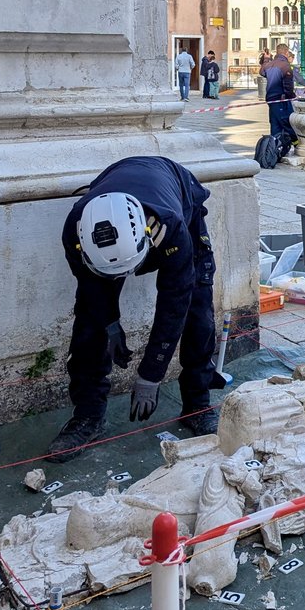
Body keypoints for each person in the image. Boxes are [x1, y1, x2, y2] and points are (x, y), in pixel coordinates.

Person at [46, 156, 224, 463]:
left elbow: (173, 305)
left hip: (177, 189)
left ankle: (198, 403)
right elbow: (91, 291)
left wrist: (150, 374)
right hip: (122, 182)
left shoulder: (171, 227)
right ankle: (88, 416)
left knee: (199, 313)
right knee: (89, 324)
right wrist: (110, 324)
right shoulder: (75, 231)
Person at [259, 43, 296, 142]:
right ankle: (296, 144)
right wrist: (291, 96)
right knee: (287, 123)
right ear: (287, 52)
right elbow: (288, 85)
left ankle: (275, 147)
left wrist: (266, 59)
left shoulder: (269, 64)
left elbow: (262, 72)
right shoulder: (285, 65)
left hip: (270, 98)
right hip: (282, 98)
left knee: (275, 124)